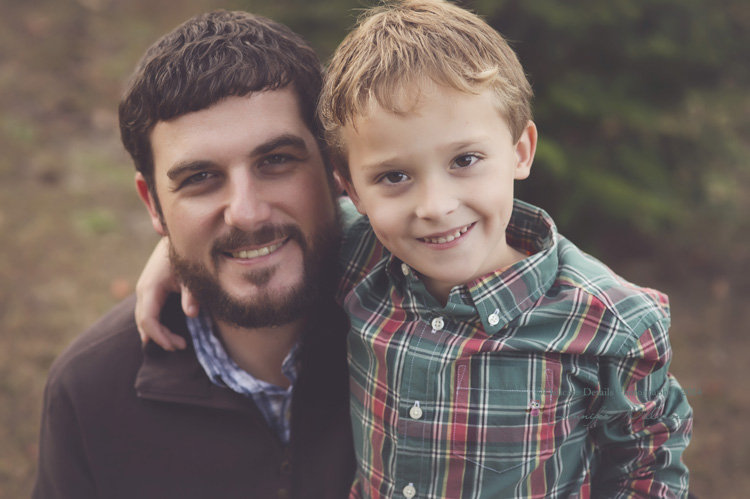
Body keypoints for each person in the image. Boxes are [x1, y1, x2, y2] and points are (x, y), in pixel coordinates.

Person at [139, 1, 693, 498]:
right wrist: (173, 254)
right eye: (395, 176)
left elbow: (649, 464)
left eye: (465, 161)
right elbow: (264, 233)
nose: (435, 205)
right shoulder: (364, 257)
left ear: (521, 150)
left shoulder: (610, 321)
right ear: (350, 188)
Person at [33, 10, 355, 499]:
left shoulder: (432, 326)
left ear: (334, 168)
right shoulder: (87, 393)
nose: (246, 213)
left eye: (276, 161)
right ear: (153, 206)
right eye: (200, 178)